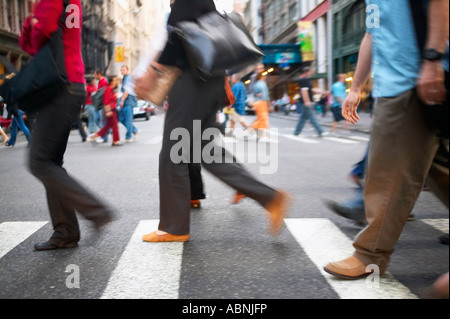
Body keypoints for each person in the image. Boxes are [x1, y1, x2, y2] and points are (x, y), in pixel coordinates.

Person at [142, 0, 291, 243]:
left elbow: (177, 38)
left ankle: (174, 227)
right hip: (207, 79)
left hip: (192, 80)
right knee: (205, 151)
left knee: (173, 154)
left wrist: (152, 72)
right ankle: (270, 198)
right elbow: (207, 36)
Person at [324, 0, 449, 280]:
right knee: (438, 168)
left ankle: (370, 255)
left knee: (388, 172)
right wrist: (356, 87)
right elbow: (373, 33)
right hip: (396, 81)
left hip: (414, 80)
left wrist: (432, 60)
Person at [19, 0, 114, 250]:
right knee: (50, 162)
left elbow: (36, 41)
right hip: (72, 83)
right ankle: (65, 232)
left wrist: (30, 24)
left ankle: (95, 210)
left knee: (39, 161)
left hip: (58, 86)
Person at [293, 67, 325, 137]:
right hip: (306, 102)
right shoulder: (304, 80)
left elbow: (311, 89)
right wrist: (307, 101)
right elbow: (304, 91)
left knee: (303, 118)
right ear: (308, 71)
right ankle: (320, 131)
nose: (312, 72)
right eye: (311, 71)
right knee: (312, 117)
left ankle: (296, 132)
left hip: (305, 102)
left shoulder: (306, 80)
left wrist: (321, 91)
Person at [91, 76, 122, 146]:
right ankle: (115, 141)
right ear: (111, 81)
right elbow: (106, 101)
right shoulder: (108, 89)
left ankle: (96, 135)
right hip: (110, 110)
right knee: (114, 126)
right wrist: (108, 111)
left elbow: (113, 100)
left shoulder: (112, 89)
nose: (116, 81)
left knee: (108, 125)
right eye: (115, 80)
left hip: (112, 109)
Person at [118, 66, 140, 142]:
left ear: (127, 70)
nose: (122, 71)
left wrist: (122, 101)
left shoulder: (128, 78)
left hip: (128, 102)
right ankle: (135, 130)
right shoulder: (125, 78)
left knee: (128, 120)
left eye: (123, 70)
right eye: (121, 70)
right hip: (126, 102)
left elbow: (126, 91)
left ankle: (128, 136)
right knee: (121, 118)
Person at [248, 67, 270, 140]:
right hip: (261, 102)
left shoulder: (256, 83)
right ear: (262, 76)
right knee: (262, 119)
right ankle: (251, 130)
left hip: (257, 102)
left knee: (261, 119)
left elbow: (254, 92)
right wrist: (269, 104)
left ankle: (261, 135)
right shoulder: (261, 83)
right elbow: (265, 95)